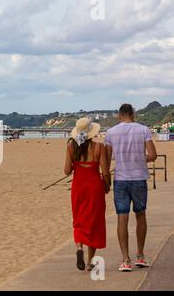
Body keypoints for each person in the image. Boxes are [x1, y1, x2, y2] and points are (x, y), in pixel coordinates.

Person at [104, 104, 157, 272]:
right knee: (140, 215)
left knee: (122, 218)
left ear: (120, 115)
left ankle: (125, 259)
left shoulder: (111, 133)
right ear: (133, 114)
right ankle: (140, 256)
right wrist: (140, 160)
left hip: (120, 179)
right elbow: (153, 155)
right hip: (139, 178)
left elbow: (105, 160)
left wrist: (106, 180)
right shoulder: (143, 130)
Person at [64, 118, 110, 271]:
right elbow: (105, 171)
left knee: (79, 220)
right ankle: (90, 262)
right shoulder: (98, 146)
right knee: (94, 222)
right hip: (94, 187)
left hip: (78, 187)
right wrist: (107, 185)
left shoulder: (71, 145)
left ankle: (79, 249)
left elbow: (66, 170)